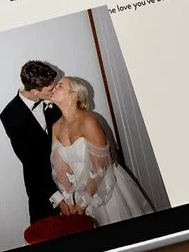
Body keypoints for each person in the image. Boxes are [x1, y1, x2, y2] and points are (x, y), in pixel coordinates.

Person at [48, 75, 154, 227]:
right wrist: (68, 199)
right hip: (77, 193)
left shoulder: (89, 121)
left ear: (73, 95)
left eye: (60, 86)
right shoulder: (56, 126)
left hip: (103, 186)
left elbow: (100, 167)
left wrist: (83, 203)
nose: (54, 88)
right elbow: (60, 169)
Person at [0, 60, 66, 226]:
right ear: (35, 92)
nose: (55, 90)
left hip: (69, 175)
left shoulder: (53, 97)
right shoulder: (10, 116)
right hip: (42, 188)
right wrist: (58, 198)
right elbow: (31, 163)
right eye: (50, 90)